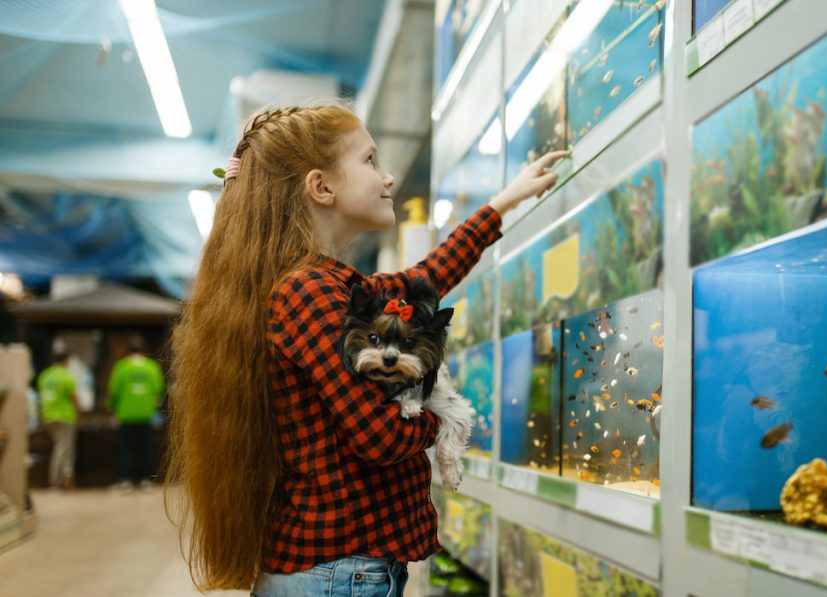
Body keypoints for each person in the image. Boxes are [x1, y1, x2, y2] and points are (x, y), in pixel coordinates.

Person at [167, 100, 566, 595]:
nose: (389, 176)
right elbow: (381, 436)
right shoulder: (309, 291)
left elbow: (424, 279)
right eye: (370, 160)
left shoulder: (329, 285)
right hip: (338, 573)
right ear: (321, 186)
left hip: (341, 571)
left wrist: (501, 204)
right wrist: (450, 417)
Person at [107, 336, 165, 492]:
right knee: (146, 447)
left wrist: (113, 409)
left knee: (125, 448)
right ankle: (147, 480)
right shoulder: (152, 367)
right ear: (143, 351)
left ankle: (125, 480)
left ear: (128, 351)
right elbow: (159, 390)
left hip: (125, 414)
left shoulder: (121, 367)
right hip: (146, 414)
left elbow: (114, 392)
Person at [37, 351, 80, 491]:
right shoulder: (66, 377)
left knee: (61, 448)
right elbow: (74, 399)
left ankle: (66, 477)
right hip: (64, 417)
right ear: (66, 361)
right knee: (63, 449)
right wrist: (79, 413)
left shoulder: (44, 376)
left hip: (47, 416)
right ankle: (55, 482)